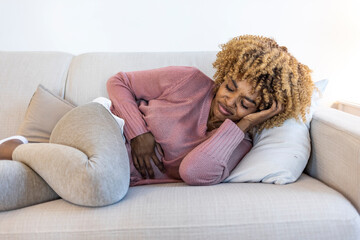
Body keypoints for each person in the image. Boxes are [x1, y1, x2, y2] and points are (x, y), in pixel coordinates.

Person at [0, 35, 314, 207]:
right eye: (230, 86)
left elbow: (193, 172)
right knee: (103, 189)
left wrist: (242, 127)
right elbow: (119, 81)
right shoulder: (189, 81)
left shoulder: (235, 144)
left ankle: (22, 151)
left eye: (246, 104)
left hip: (92, 171)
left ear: (264, 110)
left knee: (10, 191)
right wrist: (139, 133)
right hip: (99, 125)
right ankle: (21, 148)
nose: (229, 102)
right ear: (226, 72)